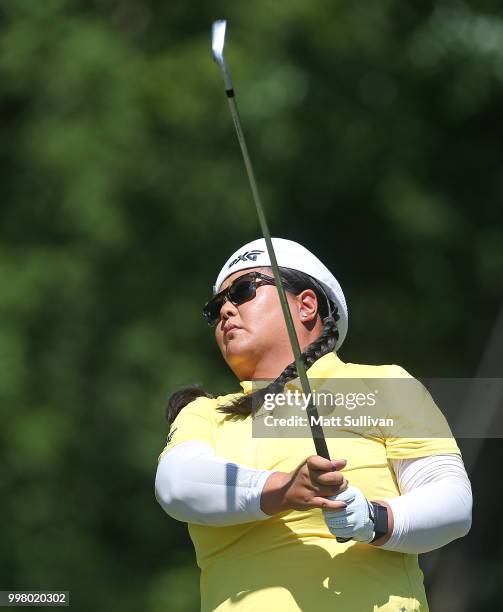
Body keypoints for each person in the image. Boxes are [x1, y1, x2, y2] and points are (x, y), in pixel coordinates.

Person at [155, 237, 472, 612]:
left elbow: (453, 502)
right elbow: (176, 484)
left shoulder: (384, 384)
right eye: (214, 308)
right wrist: (285, 489)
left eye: (243, 291)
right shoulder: (205, 412)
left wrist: (373, 519)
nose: (225, 310)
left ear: (306, 305)